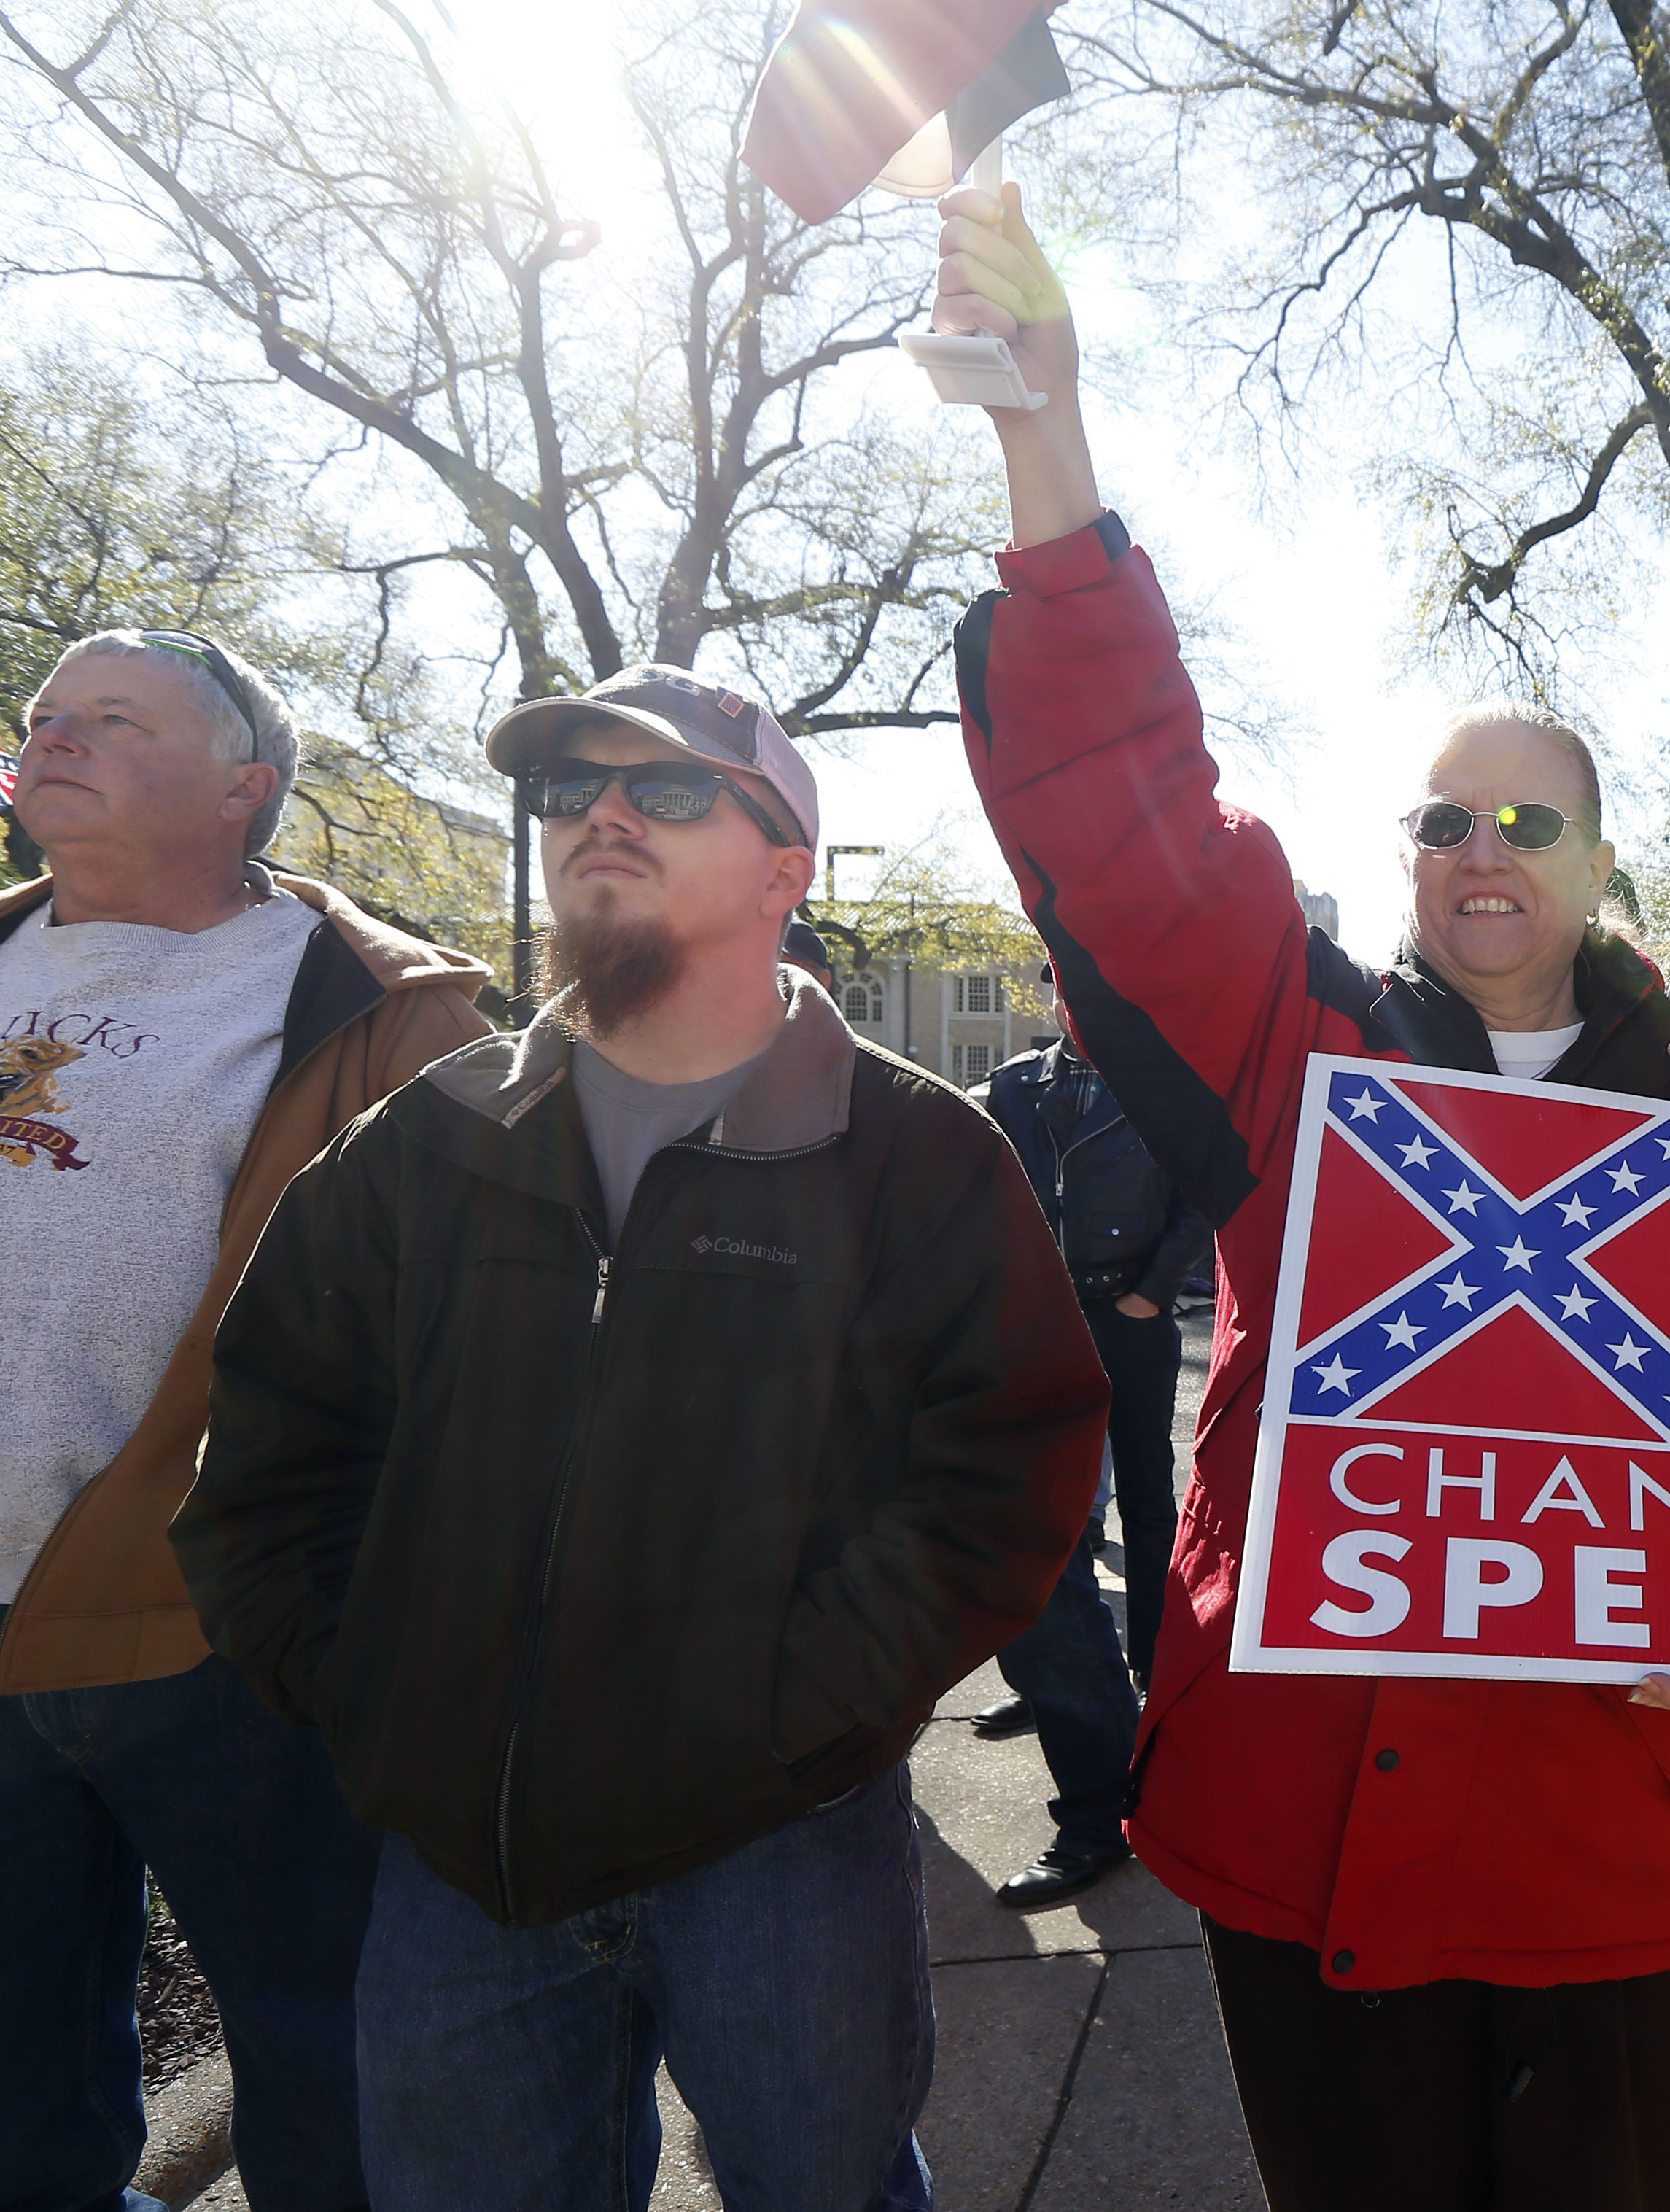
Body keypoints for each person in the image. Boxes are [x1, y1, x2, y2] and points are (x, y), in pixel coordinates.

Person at [936, 179, 1670, 2212]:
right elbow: (1130, 817)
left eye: (1532, 819)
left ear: (1597, 867)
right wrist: (1046, 441)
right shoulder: (1294, 1050)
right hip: (1309, 1817)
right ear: (1404, 857)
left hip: (1612, 1830)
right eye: (1442, 815)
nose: (1483, 847)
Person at [177, 669, 1109, 2210]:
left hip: (778, 1835)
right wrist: (371, 1692)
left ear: (785, 870)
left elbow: (1002, 1475)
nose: (600, 815)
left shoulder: (917, 1150)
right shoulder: (426, 1138)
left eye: (666, 790)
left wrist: (793, 1711)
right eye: (569, 791)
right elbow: (274, 1440)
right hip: (463, 1857)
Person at [0, 629, 491, 2212]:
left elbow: (468, 1356)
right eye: (45, 714)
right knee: (17, 2107)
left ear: (244, 790)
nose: (54, 735)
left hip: (229, 1643)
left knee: (335, 2076)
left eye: (113, 718)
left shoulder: (388, 1016)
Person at [968, 1029, 1214, 1908]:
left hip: (1128, 1312)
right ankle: (1067, 1682)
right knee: (1052, 1513)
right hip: (1039, 1318)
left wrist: (1151, 1292)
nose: (1073, 996)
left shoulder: (1160, 1081)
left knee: (1146, 1494)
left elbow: (1200, 1190)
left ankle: (1149, 1666)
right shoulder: (1013, 1085)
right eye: (1059, 976)